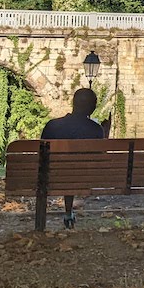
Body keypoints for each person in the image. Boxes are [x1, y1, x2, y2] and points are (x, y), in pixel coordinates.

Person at [41, 87, 104, 229]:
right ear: (92, 107)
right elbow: (99, 159)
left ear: (73, 103)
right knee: (73, 172)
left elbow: (43, 155)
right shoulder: (96, 129)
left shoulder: (52, 126)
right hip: (86, 178)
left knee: (65, 171)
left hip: (52, 177)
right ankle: (69, 213)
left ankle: (60, 215)